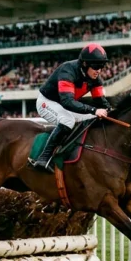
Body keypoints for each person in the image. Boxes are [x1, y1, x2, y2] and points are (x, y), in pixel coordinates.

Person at [28, 43, 111, 172]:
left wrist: (110, 111)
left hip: (65, 105)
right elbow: (67, 102)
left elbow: (101, 102)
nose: (99, 70)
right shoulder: (68, 70)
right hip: (47, 102)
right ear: (84, 64)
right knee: (68, 120)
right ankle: (43, 158)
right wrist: (94, 110)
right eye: (96, 66)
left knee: (94, 118)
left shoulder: (95, 79)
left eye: (101, 66)